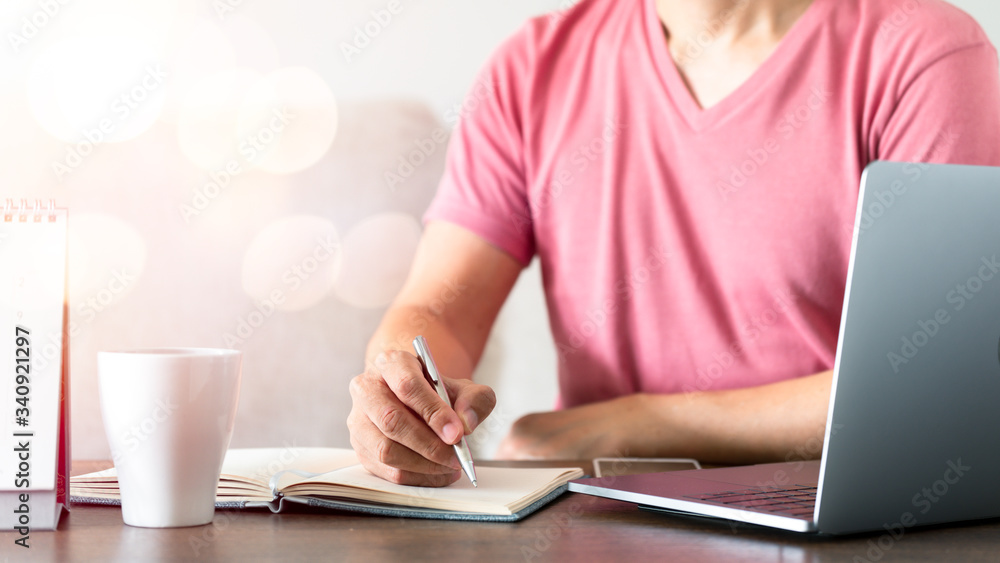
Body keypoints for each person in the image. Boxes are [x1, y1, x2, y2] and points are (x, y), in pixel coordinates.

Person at [347, 0, 1000, 486]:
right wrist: (401, 379)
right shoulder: (530, 71)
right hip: (598, 514)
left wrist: (626, 425)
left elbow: (925, 383)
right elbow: (439, 307)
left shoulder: (921, 54)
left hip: (837, 511)